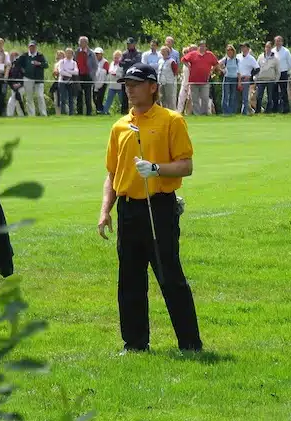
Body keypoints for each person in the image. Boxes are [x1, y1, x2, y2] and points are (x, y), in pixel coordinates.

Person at [98, 63, 202, 354]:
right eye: (127, 84)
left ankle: (190, 344)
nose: (129, 89)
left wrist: (156, 169)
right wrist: (105, 210)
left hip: (159, 207)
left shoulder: (172, 120)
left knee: (170, 276)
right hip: (128, 210)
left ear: (153, 87)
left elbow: (186, 165)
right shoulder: (120, 126)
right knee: (129, 279)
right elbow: (112, 174)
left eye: (136, 83)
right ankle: (134, 344)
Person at [181, 40, 219, 115]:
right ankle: (197, 114)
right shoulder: (192, 54)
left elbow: (216, 63)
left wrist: (212, 69)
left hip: (205, 81)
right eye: (201, 46)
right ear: (198, 47)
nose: (202, 47)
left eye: (204, 46)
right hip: (193, 80)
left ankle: (204, 113)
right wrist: (188, 66)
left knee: (205, 98)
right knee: (195, 99)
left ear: (206, 47)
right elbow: (183, 60)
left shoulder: (210, 54)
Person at [18, 40, 48, 116]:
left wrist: (39, 63)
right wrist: (22, 70)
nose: (32, 48)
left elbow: (46, 65)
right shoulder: (24, 55)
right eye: (30, 47)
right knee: (29, 98)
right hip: (28, 78)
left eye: (33, 47)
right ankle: (31, 115)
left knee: (40, 96)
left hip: (38, 79)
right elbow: (18, 64)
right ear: (28, 47)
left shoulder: (40, 55)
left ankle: (43, 114)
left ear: (36, 47)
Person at [255, 41, 280, 114]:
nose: (267, 48)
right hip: (261, 80)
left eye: (269, 47)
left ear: (271, 48)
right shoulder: (260, 56)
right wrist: (255, 78)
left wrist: (276, 80)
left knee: (270, 97)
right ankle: (258, 111)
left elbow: (278, 70)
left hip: (270, 80)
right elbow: (257, 68)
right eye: (266, 47)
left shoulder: (275, 58)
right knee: (259, 97)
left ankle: (268, 111)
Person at [75, 36, 98, 116]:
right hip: (78, 76)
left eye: (82, 42)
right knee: (79, 95)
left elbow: (95, 66)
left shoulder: (91, 53)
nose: (80, 43)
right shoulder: (77, 52)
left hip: (88, 76)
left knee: (88, 95)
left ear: (86, 43)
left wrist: (92, 74)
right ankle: (79, 112)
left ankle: (89, 112)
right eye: (80, 42)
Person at [271, 36, 291, 113]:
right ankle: (275, 109)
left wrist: (287, 71)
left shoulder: (286, 51)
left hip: (283, 73)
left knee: (284, 92)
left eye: (279, 41)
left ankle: (286, 109)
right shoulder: (272, 51)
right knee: (274, 92)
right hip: (274, 73)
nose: (278, 42)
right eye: (276, 41)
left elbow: (290, 64)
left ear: (282, 42)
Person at [120, 37, 142, 114]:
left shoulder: (138, 53)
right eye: (128, 44)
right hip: (125, 76)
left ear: (134, 44)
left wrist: (127, 61)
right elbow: (120, 63)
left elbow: (136, 62)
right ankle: (123, 112)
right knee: (124, 96)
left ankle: (135, 111)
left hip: (134, 77)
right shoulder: (124, 53)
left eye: (130, 44)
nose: (129, 45)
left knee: (134, 95)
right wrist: (128, 62)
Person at [57, 47, 79, 115]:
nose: (69, 54)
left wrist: (67, 71)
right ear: (65, 54)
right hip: (62, 82)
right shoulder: (62, 61)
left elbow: (76, 72)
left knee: (71, 99)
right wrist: (70, 74)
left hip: (70, 82)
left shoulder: (74, 63)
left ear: (72, 54)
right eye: (67, 53)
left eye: (70, 53)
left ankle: (71, 113)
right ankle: (63, 113)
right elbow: (61, 71)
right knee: (63, 98)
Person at [218, 44, 239, 115]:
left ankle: (231, 111)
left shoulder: (236, 60)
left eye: (231, 51)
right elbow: (217, 64)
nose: (229, 52)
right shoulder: (225, 59)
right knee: (225, 95)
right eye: (228, 51)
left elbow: (239, 71)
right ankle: (225, 111)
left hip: (234, 79)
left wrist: (239, 81)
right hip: (227, 78)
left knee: (232, 96)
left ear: (233, 51)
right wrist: (222, 70)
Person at [103, 50, 124, 115]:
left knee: (122, 100)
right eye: (115, 57)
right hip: (112, 85)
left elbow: (122, 75)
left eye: (117, 58)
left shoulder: (122, 65)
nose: (116, 59)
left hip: (119, 86)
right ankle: (105, 112)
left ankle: (124, 112)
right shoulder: (111, 63)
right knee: (108, 100)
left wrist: (116, 74)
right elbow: (109, 72)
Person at [157, 46, 178, 110]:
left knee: (169, 98)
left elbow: (175, 72)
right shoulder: (160, 60)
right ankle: (163, 111)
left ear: (167, 52)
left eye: (164, 51)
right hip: (161, 82)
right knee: (162, 98)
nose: (162, 52)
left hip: (169, 82)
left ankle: (171, 111)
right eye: (161, 51)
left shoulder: (172, 61)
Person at [6, 51, 26, 117]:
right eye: (12, 56)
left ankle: (19, 114)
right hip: (13, 87)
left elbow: (25, 76)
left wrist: (20, 84)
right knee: (14, 100)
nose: (13, 58)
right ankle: (15, 115)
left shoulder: (21, 65)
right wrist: (13, 86)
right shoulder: (9, 66)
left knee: (15, 100)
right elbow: (8, 78)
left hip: (21, 86)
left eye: (15, 56)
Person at [93, 47, 109, 114]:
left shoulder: (105, 62)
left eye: (98, 54)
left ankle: (100, 110)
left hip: (103, 82)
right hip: (94, 82)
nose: (97, 55)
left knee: (100, 97)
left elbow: (105, 72)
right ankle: (98, 109)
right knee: (94, 97)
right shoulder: (93, 61)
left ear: (101, 54)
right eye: (96, 54)